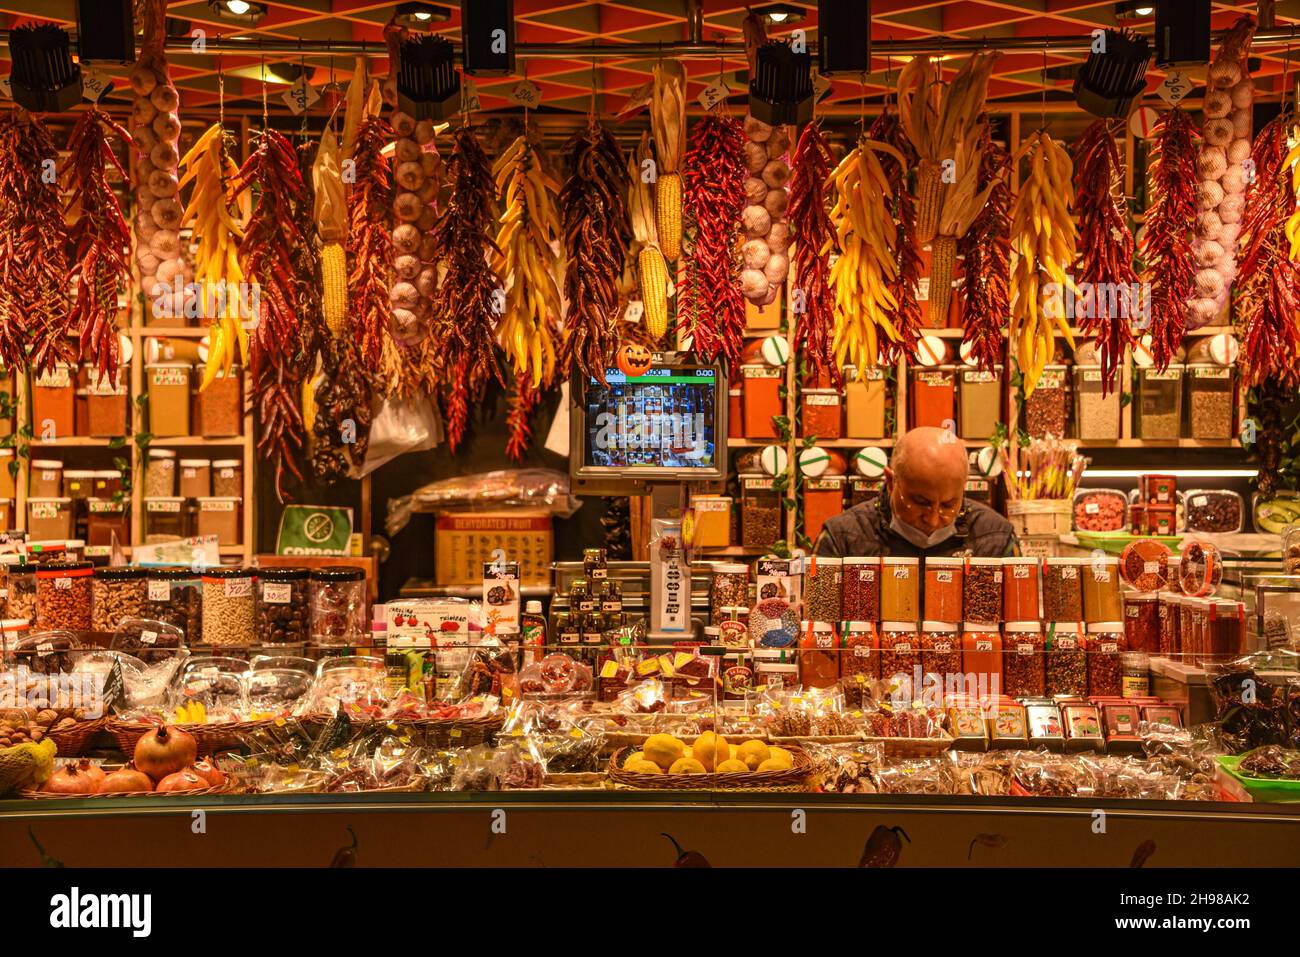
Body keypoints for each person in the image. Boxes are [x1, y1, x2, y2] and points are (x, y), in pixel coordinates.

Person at [815, 426, 1017, 558]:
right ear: (892, 481)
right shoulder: (843, 538)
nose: (933, 519)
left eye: (948, 505)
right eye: (921, 501)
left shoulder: (996, 538)